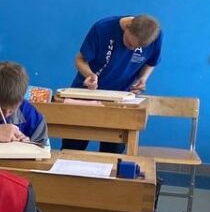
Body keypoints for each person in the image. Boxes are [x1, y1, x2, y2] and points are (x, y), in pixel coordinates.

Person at [64, 14, 162, 154]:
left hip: (120, 99)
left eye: (138, 48)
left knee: (113, 153)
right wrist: (89, 74)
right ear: (127, 27)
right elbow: (80, 59)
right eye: (129, 44)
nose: (131, 49)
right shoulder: (102, 28)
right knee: (73, 148)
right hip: (87, 94)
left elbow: (151, 62)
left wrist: (143, 78)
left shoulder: (155, 34)